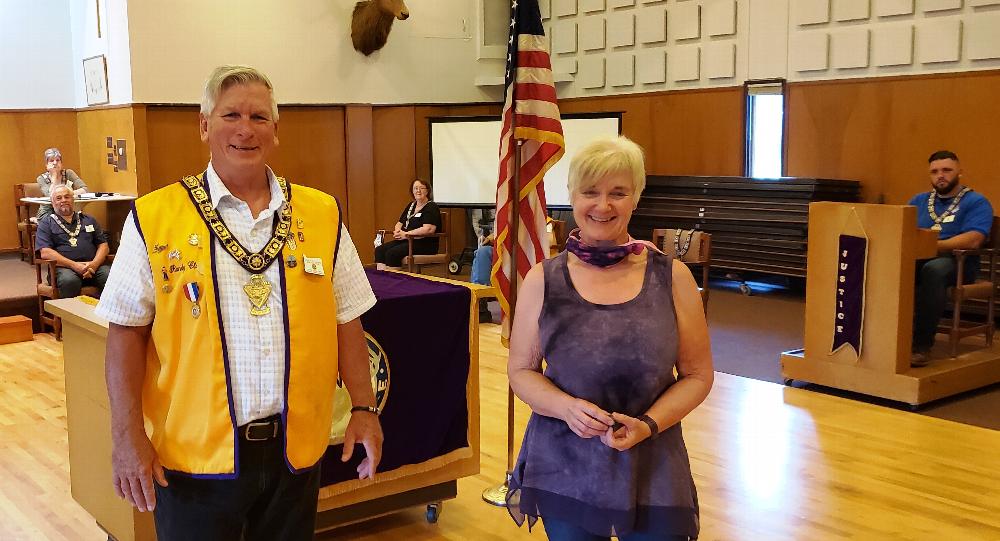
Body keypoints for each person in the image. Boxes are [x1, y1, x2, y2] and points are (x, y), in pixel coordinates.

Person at [95, 65, 383, 541]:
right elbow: (124, 332)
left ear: (276, 130)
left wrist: (364, 409)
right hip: (192, 461)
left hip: (295, 453)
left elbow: (347, 317)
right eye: (230, 114)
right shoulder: (154, 216)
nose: (245, 129)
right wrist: (126, 437)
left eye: (259, 116)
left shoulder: (321, 213)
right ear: (204, 125)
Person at [506, 136, 713, 540]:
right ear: (572, 197)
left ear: (635, 197)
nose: (603, 206)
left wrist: (649, 425)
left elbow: (698, 375)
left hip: (653, 463)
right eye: (590, 192)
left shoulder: (672, 277)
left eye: (618, 193)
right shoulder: (542, 279)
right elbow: (521, 371)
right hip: (564, 462)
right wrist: (567, 409)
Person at [909, 150, 994, 367]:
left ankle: (921, 345)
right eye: (935, 171)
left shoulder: (976, 201)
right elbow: (902, 230)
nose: (941, 175)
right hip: (918, 258)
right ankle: (888, 339)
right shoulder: (918, 201)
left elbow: (974, 239)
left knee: (934, 270)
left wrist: (931, 246)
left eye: (947, 170)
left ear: (959, 172)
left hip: (958, 263)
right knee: (889, 267)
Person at [34, 184, 110, 298]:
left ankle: (107, 314)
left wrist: (94, 264)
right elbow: (45, 252)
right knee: (70, 281)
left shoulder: (89, 220)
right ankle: (67, 316)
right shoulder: (46, 223)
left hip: (93, 266)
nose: (63, 200)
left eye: (67, 197)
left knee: (110, 276)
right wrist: (74, 265)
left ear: (73, 199)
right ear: (52, 202)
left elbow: (103, 246)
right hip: (64, 269)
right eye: (58, 198)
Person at [374, 178, 442, 270]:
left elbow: (428, 229)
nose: (418, 191)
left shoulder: (431, 206)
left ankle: (393, 281)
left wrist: (406, 234)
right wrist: (398, 231)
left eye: (421, 188)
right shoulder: (411, 205)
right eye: (415, 188)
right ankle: (383, 279)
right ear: (412, 191)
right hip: (407, 240)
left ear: (427, 191)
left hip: (424, 243)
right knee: (380, 250)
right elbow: (399, 223)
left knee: (392, 253)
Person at [35, 147, 89, 220]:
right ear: (46, 164)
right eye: (51, 161)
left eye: (58, 160)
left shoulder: (69, 173)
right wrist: (54, 175)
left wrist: (69, 193)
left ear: (61, 163)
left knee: (85, 220)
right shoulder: (41, 178)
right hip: (48, 212)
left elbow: (85, 189)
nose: (55, 163)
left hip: (69, 210)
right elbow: (51, 196)